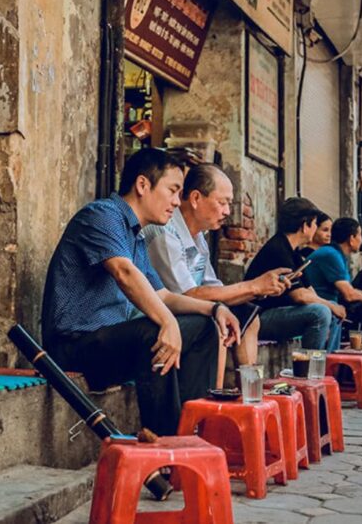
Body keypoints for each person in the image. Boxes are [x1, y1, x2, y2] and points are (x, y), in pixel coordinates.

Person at [41, 148, 242, 435]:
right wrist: (167, 322)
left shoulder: (135, 236)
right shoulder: (101, 215)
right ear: (143, 185)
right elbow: (124, 273)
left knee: (205, 327)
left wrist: (215, 309)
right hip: (74, 346)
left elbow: (163, 296)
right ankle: (166, 441)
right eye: (173, 191)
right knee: (153, 333)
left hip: (110, 343)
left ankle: (191, 431)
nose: (176, 202)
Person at [144, 163, 287, 384]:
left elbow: (215, 288)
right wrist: (252, 286)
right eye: (222, 203)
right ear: (195, 199)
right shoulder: (164, 232)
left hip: (189, 307)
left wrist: (257, 291)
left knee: (249, 316)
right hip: (164, 313)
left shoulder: (199, 237)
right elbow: (188, 295)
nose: (228, 212)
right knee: (217, 322)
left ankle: (249, 391)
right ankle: (215, 402)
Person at [244, 198, 345, 352]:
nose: (316, 228)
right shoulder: (278, 249)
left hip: (274, 314)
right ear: (305, 225)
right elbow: (300, 296)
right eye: (315, 223)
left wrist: (332, 307)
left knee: (328, 310)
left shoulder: (293, 252)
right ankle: (310, 369)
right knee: (320, 313)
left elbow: (309, 289)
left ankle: (326, 363)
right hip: (257, 318)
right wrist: (330, 306)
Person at [303, 217, 362, 337]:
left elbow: (349, 290)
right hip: (319, 307)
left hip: (328, 304)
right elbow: (349, 295)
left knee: (361, 304)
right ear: (351, 238)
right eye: (359, 235)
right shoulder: (331, 255)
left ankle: (348, 346)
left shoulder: (337, 254)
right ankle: (336, 351)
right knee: (359, 307)